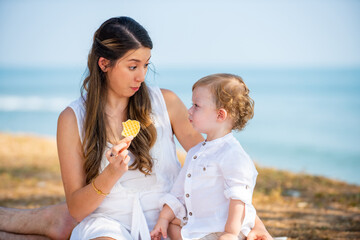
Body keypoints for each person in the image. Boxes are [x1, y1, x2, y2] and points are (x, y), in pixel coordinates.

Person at [0, 16, 273, 240]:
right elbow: (78, 208)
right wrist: (110, 173)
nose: (141, 76)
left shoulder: (165, 102)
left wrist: (254, 223)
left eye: (145, 65)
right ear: (104, 64)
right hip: (108, 223)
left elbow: (217, 160)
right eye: (132, 66)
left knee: (60, 221)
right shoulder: (72, 119)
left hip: (170, 224)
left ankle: (51, 222)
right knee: (74, 221)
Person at [150, 74, 258, 240]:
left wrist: (230, 232)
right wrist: (163, 219)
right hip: (200, 226)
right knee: (172, 227)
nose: (189, 110)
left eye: (196, 106)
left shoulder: (232, 154)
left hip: (222, 229)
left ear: (220, 115)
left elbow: (239, 198)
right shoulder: (195, 151)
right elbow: (179, 190)